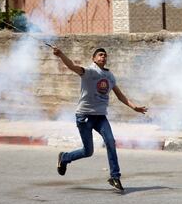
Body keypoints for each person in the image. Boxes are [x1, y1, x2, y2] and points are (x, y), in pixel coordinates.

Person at [53, 46, 147, 191]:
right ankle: (65, 157)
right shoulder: (89, 71)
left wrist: (134, 107)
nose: (103, 57)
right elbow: (72, 66)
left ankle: (115, 176)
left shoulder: (110, 76)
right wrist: (61, 54)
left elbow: (120, 96)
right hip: (84, 116)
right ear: (94, 58)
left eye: (105, 55)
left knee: (110, 141)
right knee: (88, 151)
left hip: (100, 117)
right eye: (100, 55)